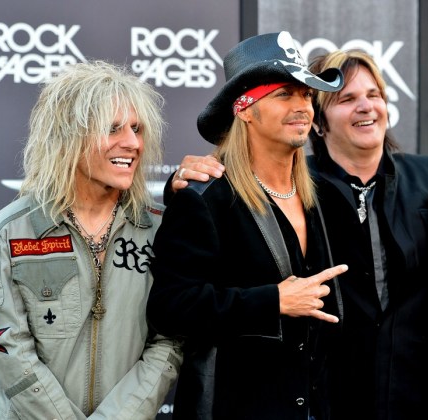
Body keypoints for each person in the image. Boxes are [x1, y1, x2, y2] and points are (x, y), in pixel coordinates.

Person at [170, 51, 428, 419]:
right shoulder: (297, 188)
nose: (365, 106)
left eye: (374, 95)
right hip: (328, 397)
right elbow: (204, 254)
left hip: (417, 396)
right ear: (319, 124)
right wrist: (181, 183)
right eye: (347, 98)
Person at [145, 31, 348, 420]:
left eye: (306, 94)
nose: (302, 106)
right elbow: (169, 308)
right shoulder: (205, 197)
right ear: (244, 109)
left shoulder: (324, 197)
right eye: (284, 94)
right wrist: (272, 301)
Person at [0, 61, 182, 419]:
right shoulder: (9, 232)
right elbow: (8, 349)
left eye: (137, 129)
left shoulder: (162, 229)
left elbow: (169, 342)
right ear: (68, 136)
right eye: (112, 128)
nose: (132, 143)